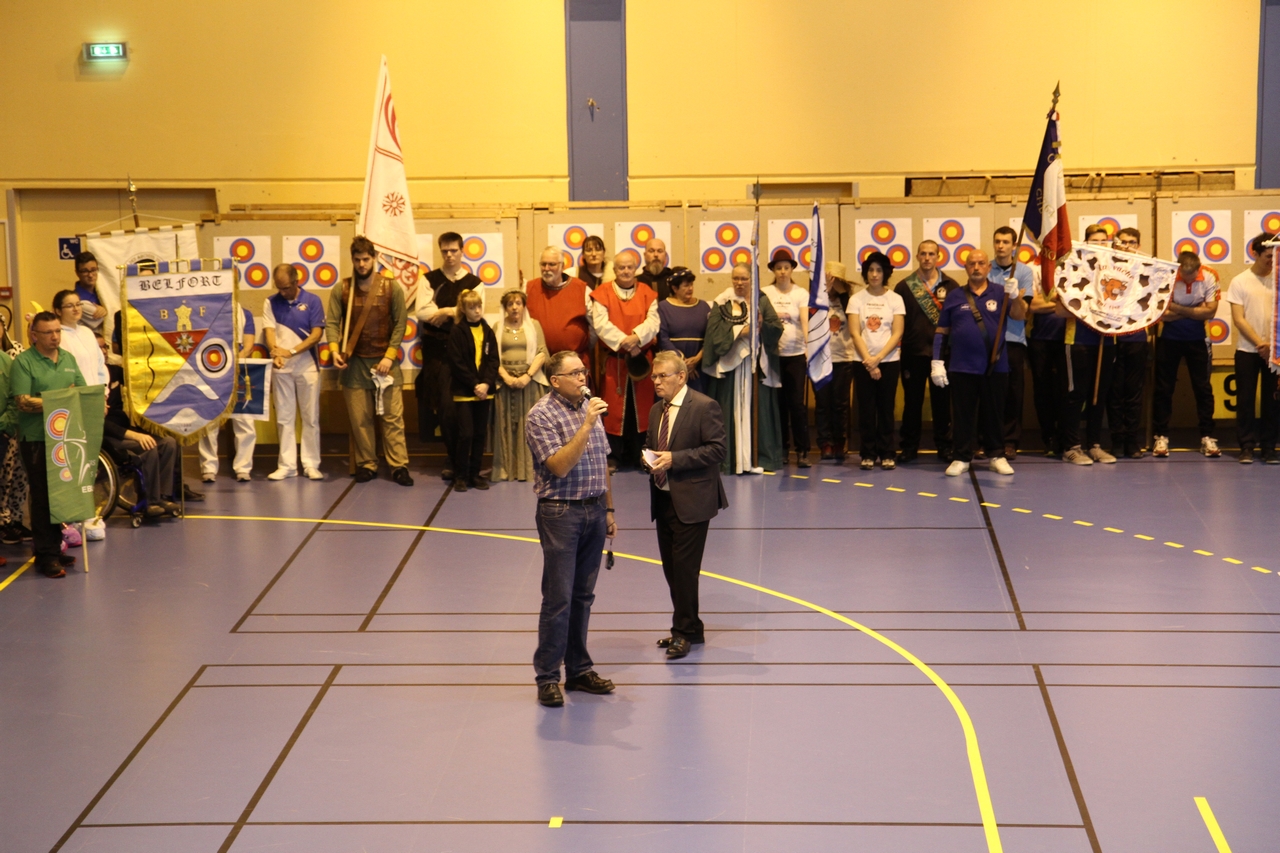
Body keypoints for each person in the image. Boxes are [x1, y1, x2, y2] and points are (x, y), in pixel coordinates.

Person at [525, 350, 617, 708]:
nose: (583, 377)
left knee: (583, 596)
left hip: (594, 510)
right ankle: (548, 676)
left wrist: (609, 508)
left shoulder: (587, 407)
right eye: (575, 373)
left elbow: (603, 463)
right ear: (555, 381)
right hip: (561, 514)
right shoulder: (541, 416)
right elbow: (560, 466)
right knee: (559, 598)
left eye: (583, 371)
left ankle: (578, 670)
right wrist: (587, 425)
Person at [644, 350, 728, 659]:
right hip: (664, 498)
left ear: (681, 376)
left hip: (693, 500)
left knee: (684, 570)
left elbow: (717, 450)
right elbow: (653, 444)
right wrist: (648, 458)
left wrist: (674, 459)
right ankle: (692, 628)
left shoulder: (705, 407)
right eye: (654, 376)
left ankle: (682, 633)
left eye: (662, 376)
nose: (656, 381)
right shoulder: (656, 410)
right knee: (671, 569)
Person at [326, 236, 413, 486]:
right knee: (360, 419)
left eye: (366, 259)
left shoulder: (391, 287)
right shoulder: (341, 289)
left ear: (374, 258)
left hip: (386, 363)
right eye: (357, 259)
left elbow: (400, 323)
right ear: (352, 260)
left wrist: (389, 355)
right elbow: (332, 323)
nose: (362, 264)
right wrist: (334, 350)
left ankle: (398, 466)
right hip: (354, 364)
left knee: (393, 418)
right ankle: (367, 464)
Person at [931, 250, 1024, 476]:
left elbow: (1020, 315)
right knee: (962, 414)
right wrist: (937, 360)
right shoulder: (954, 295)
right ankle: (961, 457)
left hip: (996, 366)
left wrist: (1015, 297)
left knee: (994, 413)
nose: (976, 267)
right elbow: (942, 330)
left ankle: (997, 455)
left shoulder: (1001, 292)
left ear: (988, 267)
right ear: (965, 267)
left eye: (981, 263)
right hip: (962, 366)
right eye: (972, 263)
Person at [11, 313, 85, 578]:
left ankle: (49, 548)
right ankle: (47, 556)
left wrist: (52, 400)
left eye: (57, 331)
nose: (55, 337)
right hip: (36, 439)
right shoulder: (24, 363)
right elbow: (23, 402)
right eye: (48, 333)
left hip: (65, 438)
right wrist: (62, 399)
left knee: (60, 495)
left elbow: (82, 391)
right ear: (34, 335)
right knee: (42, 497)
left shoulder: (67, 359)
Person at [703, 263, 785, 473]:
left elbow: (775, 327)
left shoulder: (762, 300)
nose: (739, 283)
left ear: (753, 280)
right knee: (731, 410)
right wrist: (741, 331)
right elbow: (714, 334)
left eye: (744, 279)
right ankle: (731, 460)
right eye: (736, 279)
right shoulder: (723, 301)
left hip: (756, 366)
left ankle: (759, 459)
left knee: (758, 411)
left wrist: (762, 326)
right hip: (732, 367)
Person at [416, 232, 483, 479]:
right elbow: (422, 312)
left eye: (453, 250)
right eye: (444, 251)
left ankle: (466, 461)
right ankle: (452, 458)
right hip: (437, 354)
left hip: (465, 354)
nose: (449, 255)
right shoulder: (429, 280)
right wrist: (453, 311)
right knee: (444, 409)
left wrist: (444, 311)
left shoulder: (475, 283)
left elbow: (473, 312)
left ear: (462, 251)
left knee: (465, 410)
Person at [97, 333, 181, 519]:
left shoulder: (115, 371)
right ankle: (150, 501)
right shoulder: (89, 378)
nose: (103, 351)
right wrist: (134, 436)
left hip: (125, 428)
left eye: (105, 347)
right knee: (147, 447)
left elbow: (142, 379)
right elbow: (100, 422)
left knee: (168, 442)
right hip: (107, 434)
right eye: (98, 348)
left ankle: (164, 496)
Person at [589, 252, 659, 470]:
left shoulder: (648, 293)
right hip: (615, 361)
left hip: (641, 359)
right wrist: (624, 341)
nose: (626, 271)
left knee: (644, 410)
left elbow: (653, 321)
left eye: (630, 267)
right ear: (615, 270)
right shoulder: (602, 294)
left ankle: (644, 455)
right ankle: (614, 456)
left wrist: (636, 337)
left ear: (636, 268)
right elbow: (601, 324)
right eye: (621, 268)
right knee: (613, 411)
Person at [1151, 251, 1221, 459]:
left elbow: (1210, 312)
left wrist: (1176, 309)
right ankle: (1161, 436)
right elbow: (1161, 314)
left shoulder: (1210, 275)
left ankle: (1207, 436)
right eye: (1184, 278)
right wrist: (1193, 310)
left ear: (1199, 269)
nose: (1188, 281)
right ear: (1178, 270)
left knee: (1203, 388)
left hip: (1199, 339)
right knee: (1164, 388)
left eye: (1193, 278)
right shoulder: (1166, 275)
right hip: (1169, 338)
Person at [1059, 225, 1118, 465]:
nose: (1100, 245)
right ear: (1085, 243)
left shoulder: (1118, 271)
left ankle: (1094, 444)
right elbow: (1059, 309)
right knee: (1076, 394)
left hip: (1106, 339)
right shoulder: (1074, 270)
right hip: (1078, 340)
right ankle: (1070, 447)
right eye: (1095, 241)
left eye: (1105, 241)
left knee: (1099, 394)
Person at [896, 240, 958, 463]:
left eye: (932, 254)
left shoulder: (951, 286)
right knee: (912, 403)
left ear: (938, 257)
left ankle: (944, 447)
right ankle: (909, 447)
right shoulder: (904, 287)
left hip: (942, 355)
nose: (927, 258)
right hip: (913, 354)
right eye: (923, 254)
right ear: (917, 256)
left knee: (942, 404)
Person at [263, 263, 326, 480]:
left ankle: (311, 464)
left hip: (307, 366)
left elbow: (316, 334)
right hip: (282, 368)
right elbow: (269, 331)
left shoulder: (313, 301)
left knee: (310, 417)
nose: (282, 292)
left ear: (297, 281)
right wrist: (276, 352)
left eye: (286, 288)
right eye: (279, 288)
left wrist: (290, 351)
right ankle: (287, 465)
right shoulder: (270, 302)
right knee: (284, 417)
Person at [848, 251, 906, 470]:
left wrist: (879, 359)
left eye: (879, 270)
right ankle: (868, 453)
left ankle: (887, 452)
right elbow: (855, 333)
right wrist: (869, 361)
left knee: (886, 408)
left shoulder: (895, 299)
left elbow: (897, 332)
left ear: (886, 273)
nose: (874, 274)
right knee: (866, 409)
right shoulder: (856, 299)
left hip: (889, 362)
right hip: (861, 362)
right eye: (870, 270)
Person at [1226, 233, 1277, 464]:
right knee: (1245, 400)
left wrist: (1272, 345)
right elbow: (1239, 319)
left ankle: (1269, 447)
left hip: (1275, 353)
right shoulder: (1240, 281)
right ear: (1255, 254)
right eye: (1268, 255)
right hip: (1248, 350)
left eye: (1276, 255)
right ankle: (1246, 447)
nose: (1272, 259)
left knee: (1273, 401)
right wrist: (1260, 343)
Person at [197, 299, 258, 482]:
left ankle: (243, 467)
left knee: (244, 420)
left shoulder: (245, 313)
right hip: (211, 368)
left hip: (236, 369)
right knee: (210, 420)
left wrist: (231, 363)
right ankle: (208, 467)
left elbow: (248, 346)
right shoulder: (206, 313)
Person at [491, 289, 549, 483]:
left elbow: (541, 352)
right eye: (510, 304)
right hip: (505, 384)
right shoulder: (498, 327)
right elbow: (491, 357)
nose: (514, 307)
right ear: (505, 307)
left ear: (524, 306)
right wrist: (506, 377)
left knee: (529, 426)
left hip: (529, 384)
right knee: (505, 426)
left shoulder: (534, 326)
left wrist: (527, 376)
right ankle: (505, 470)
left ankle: (528, 470)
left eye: (518, 303)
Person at [762, 248, 812, 467]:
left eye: (786, 268)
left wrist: (808, 345)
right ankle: (782, 449)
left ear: (792, 269)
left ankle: (802, 450)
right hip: (773, 356)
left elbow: (804, 320)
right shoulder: (765, 293)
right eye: (778, 268)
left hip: (795, 355)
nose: (782, 272)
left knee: (797, 404)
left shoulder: (801, 293)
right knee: (778, 405)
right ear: (773, 270)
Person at [989, 226, 1035, 458]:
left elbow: (1020, 313)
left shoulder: (1024, 272)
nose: (1001, 246)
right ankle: (987, 439)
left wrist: (1016, 296)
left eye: (1006, 242)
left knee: (1012, 393)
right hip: (988, 339)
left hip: (1014, 340)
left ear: (1014, 246)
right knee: (988, 392)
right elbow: (988, 307)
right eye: (997, 241)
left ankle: (1009, 441)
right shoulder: (985, 268)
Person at [446, 290, 499, 491]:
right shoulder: (457, 332)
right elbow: (457, 362)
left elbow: (493, 360)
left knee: (479, 434)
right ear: (463, 309)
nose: (477, 311)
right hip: (465, 391)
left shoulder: (487, 330)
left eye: (478, 306)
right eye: (471, 307)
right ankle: (460, 475)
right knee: (465, 434)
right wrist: (475, 384)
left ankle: (475, 474)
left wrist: (485, 383)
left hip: (484, 391)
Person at [1106, 227, 1151, 458]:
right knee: (1114, 392)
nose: (1127, 246)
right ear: (1115, 244)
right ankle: (1116, 440)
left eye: (1132, 242)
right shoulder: (1105, 267)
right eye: (1123, 242)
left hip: (1136, 337)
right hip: (1111, 337)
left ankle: (1132, 441)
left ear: (1138, 245)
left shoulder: (1148, 269)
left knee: (1134, 392)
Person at [525, 246, 592, 371]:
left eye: (552, 264)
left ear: (562, 266)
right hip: (539, 366)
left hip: (574, 366)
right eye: (543, 264)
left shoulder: (581, 289)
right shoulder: (529, 289)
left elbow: (594, 327)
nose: (546, 269)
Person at [1026, 254, 1066, 458]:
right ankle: (1048, 436)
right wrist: (1062, 300)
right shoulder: (1031, 268)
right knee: (1043, 390)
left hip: (1067, 339)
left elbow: (1077, 302)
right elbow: (1032, 305)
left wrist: (1047, 300)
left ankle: (1064, 436)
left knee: (1065, 390)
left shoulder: (1072, 267)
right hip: (1039, 338)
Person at [816, 260, 855, 461]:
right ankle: (825, 443)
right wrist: (824, 292)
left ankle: (840, 441)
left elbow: (853, 318)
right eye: (828, 279)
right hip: (821, 359)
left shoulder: (848, 300)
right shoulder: (816, 299)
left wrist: (841, 292)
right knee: (823, 403)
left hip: (843, 357)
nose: (831, 283)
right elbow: (814, 321)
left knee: (840, 403)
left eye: (835, 280)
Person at [656, 266, 711, 394]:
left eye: (691, 284)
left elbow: (710, 336)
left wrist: (697, 359)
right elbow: (663, 338)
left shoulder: (703, 306)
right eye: (686, 285)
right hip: (672, 368)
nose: (690, 288)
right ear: (674, 288)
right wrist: (682, 363)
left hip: (699, 369)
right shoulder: (663, 307)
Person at [51, 290, 108, 391]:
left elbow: (100, 365)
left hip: (96, 394)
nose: (76, 309)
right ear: (58, 311)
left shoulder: (87, 332)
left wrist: (103, 393)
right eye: (70, 306)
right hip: (75, 395)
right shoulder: (57, 336)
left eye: (78, 304)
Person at [71, 251, 109, 332]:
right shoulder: (77, 301)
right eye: (85, 271)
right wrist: (106, 311)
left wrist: (106, 309)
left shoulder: (104, 292)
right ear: (77, 273)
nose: (90, 275)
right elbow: (110, 319)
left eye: (93, 270)